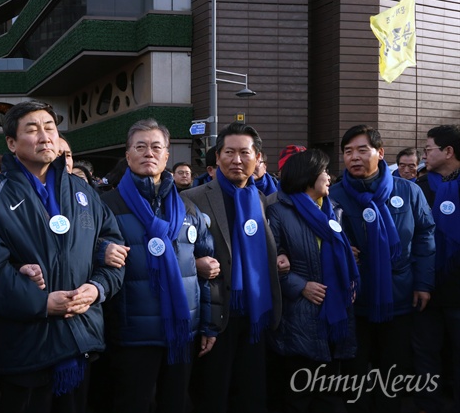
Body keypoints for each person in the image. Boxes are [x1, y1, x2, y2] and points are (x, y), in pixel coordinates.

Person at [0, 101, 125, 413]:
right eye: (32, 129)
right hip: (26, 348)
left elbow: (112, 247)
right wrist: (42, 303)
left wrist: (97, 289)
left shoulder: (83, 191)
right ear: (11, 143)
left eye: (50, 128)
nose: (45, 136)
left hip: (82, 337)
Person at [99, 118, 216, 413]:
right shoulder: (106, 205)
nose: (148, 153)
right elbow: (81, 251)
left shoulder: (188, 208)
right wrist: (101, 251)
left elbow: (205, 271)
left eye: (156, 147)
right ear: (128, 156)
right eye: (140, 147)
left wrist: (208, 323)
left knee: (175, 403)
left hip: (181, 331)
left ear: (166, 157)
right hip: (131, 332)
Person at [328, 124, 435, 413]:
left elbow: (425, 236)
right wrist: (338, 249)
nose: (354, 157)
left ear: (380, 153)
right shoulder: (333, 195)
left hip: (399, 298)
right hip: (354, 300)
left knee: (393, 373)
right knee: (355, 376)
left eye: (362, 150)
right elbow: (320, 238)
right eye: (348, 152)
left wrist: (423, 284)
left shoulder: (408, 191)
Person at [183, 122, 283, 413]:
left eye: (244, 153)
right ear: (217, 157)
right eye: (229, 152)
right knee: (213, 394)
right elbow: (179, 252)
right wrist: (195, 262)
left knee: (251, 394)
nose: (236, 160)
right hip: (216, 315)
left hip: (255, 315)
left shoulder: (263, 201)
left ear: (258, 158)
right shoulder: (192, 198)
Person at [266, 149, 359, 412]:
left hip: (335, 315)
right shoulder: (278, 212)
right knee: (299, 397)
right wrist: (300, 286)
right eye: (324, 172)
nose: (329, 177)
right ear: (308, 177)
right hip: (299, 319)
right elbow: (269, 264)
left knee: (330, 396)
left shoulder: (334, 211)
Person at [413, 124, 460, 413]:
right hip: (426, 290)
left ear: (448, 151)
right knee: (425, 355)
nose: (425, 154)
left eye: (429, 148)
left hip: (458, 291)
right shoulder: (417, 189)